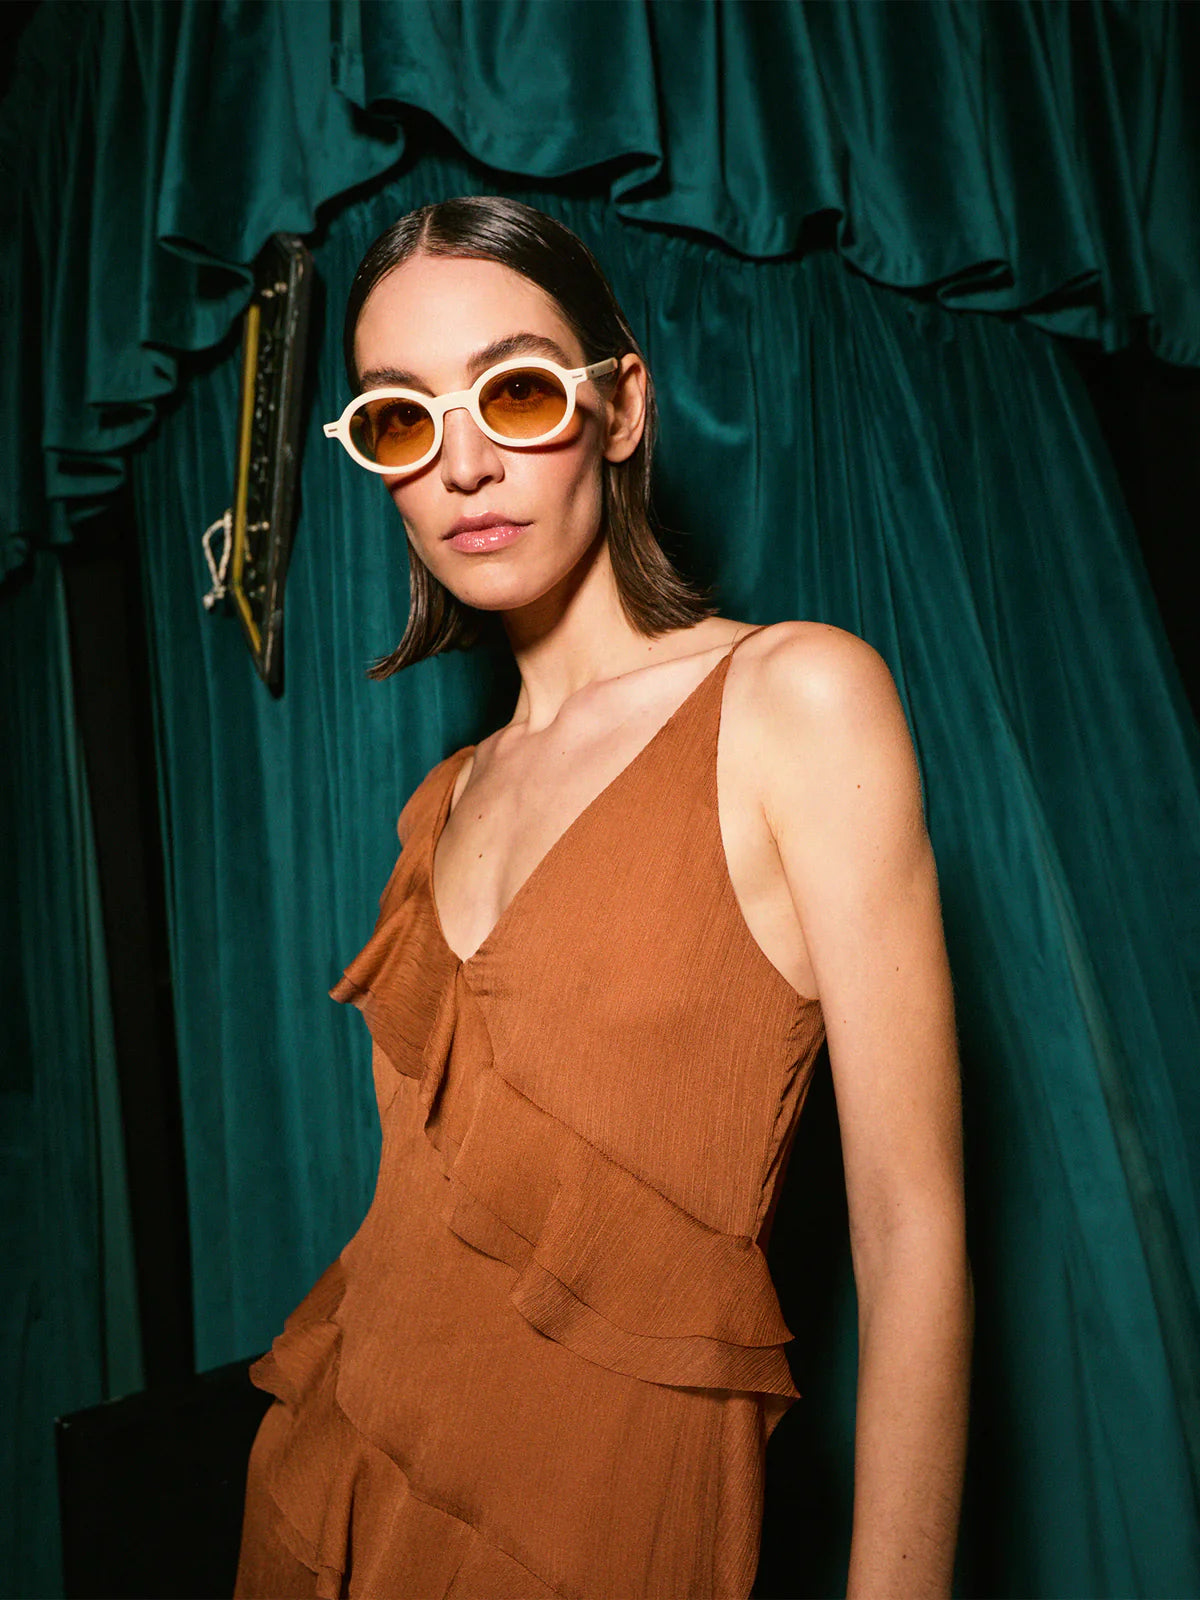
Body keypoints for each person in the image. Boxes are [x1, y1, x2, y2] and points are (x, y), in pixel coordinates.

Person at [235, 195, 972, 1600]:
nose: (463, 465)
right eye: (401, 419)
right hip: (339, 1500)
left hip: (605, 1533)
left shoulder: (796, 700)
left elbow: (913, 1234)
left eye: (513, 392)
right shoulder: (441, 802)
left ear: (620, 406)